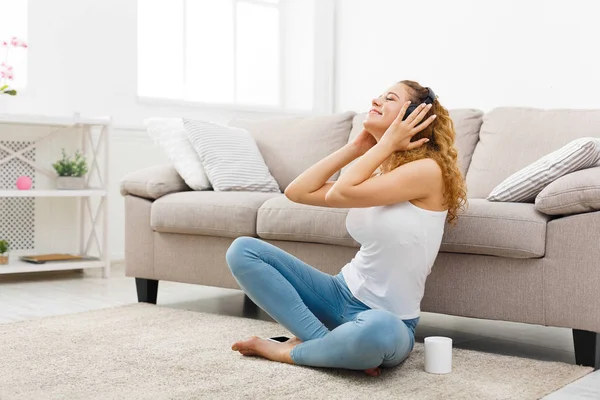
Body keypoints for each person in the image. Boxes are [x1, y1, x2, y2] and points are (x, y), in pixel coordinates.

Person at [226, 80, 467, 377]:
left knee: (380, 330)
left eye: (389, 98)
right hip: (337, 294)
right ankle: (329, 348)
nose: (376, 100)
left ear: (411, 118)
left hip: (387, 320)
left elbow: (340, 192)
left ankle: (287, 350)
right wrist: (356, 147)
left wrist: (387, 144)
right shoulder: (379, 172)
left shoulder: (428, 171)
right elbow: (297, 191)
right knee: (243, 250)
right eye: (379, 95)